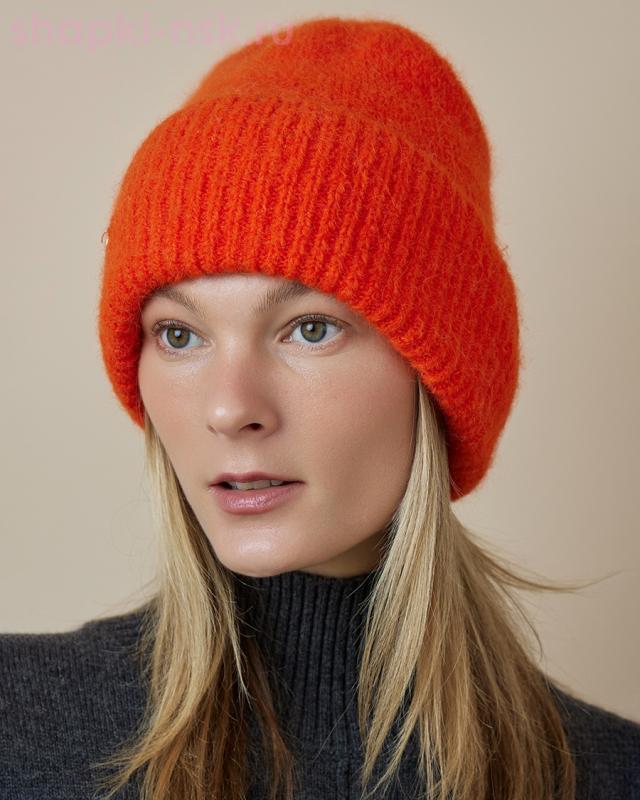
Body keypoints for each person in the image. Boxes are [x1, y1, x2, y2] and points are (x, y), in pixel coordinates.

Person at [1, 14, 639, 800]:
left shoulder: (612, 774)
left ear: (437, 375)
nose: (230, 409)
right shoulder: (17, 726)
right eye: (179, 335)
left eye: (310, 329)